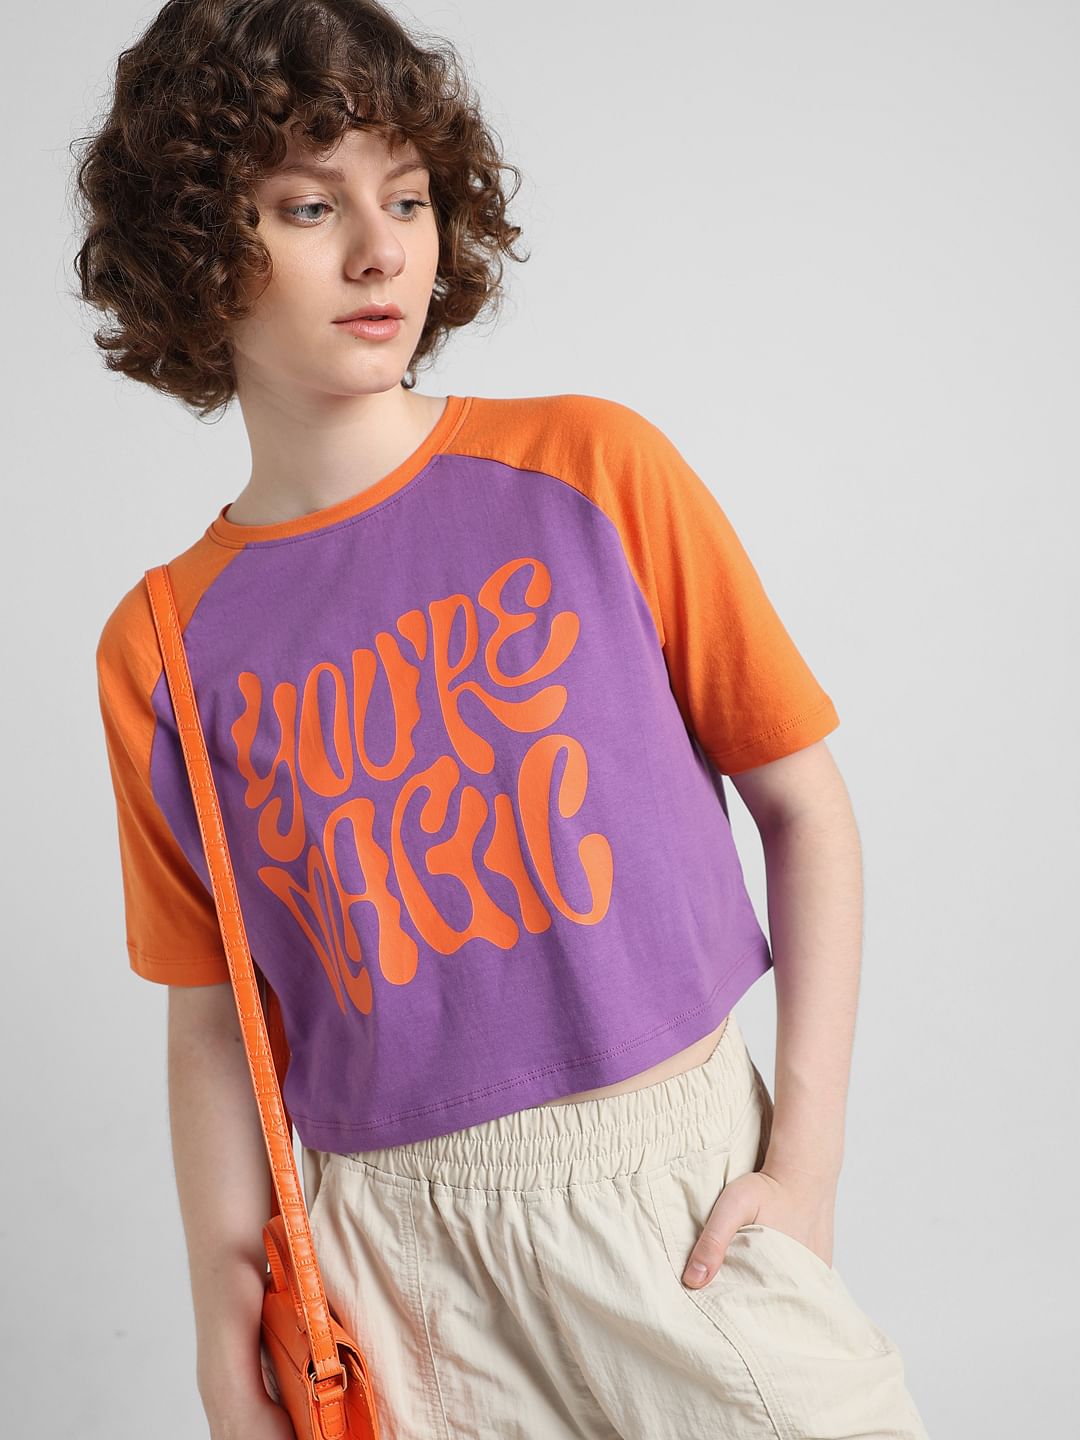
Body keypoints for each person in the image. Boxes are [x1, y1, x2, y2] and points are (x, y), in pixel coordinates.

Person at [76, 2, 931, 1437]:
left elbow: (804, 803)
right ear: (192, 246)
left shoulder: (592, 471)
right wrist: (223, 1315)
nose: (381, 250)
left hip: (678, 1192)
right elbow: (216, 1018)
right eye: (310, 207)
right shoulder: (160, 648)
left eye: (408, 196)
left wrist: (810, 1158)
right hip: (393, 1263)